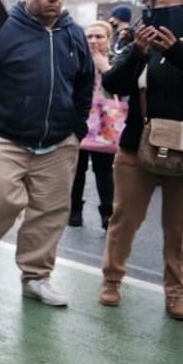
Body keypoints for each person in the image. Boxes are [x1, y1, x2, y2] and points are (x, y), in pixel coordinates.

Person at [0, 0, 93, 306]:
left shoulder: (73, 33)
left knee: (50, 212)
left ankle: (36, 276)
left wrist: (77, 129)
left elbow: (85, 82)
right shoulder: (0, 30)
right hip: (3, 136)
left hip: (58, 141)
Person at [97, 0, 183, 318]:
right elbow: (113, 83)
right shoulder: (139, 46)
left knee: (180, 231)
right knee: (124, 219)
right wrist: (136, 51)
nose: (165, 16)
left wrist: (176, 51)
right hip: (136, 147)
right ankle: (111, 280)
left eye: (174, 9)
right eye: (159, 9)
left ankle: (177, 293)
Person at [69, 21, 119, 229]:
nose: (93, 40)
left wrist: (104, 68)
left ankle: (107, 213)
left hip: (105, 121)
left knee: (104, 170)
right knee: (77, 168)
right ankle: (75, 210)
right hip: (79, 119)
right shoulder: (76, 58)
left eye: (99, 36)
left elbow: (121, 87)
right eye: (89, 36)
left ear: (108, 39)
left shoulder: (117, 60)